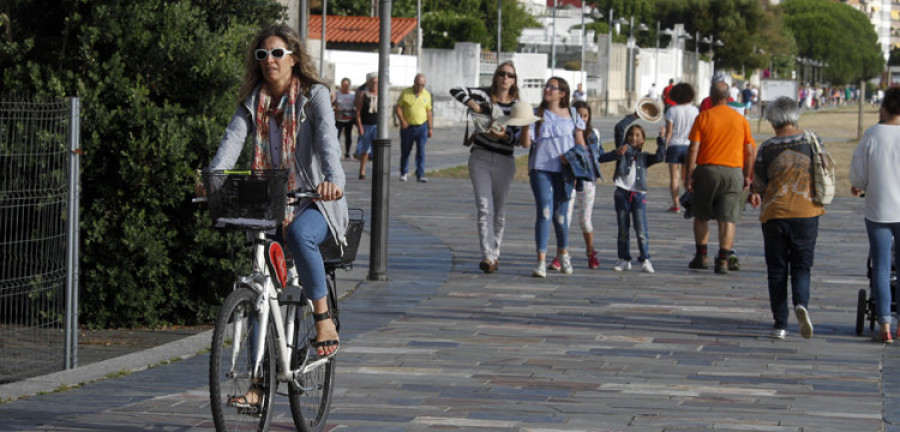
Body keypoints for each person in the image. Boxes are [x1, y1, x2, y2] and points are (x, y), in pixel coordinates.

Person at [208, 24, 348, 407]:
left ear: (294, 57)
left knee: (302, 234)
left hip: (317, 201)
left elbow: (327, 144)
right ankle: (259, 384)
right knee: (260, 289)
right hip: (271, 203)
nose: (269, 60)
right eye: (262, 55)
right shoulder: (253, 104)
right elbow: (229, 146)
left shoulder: (313, 96)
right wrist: (211, 180)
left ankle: (322, 320)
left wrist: (333, 181)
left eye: (276, 53)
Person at [749, 97, 824, 340]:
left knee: (777, 269)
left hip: (775, 214)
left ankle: (780, 323)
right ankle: (801, 304)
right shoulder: (812, 141)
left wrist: (755, 194)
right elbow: (823, 169)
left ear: (772, 120)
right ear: (795, 116)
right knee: (802, 266)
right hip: (807, 212)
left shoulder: (768, 147)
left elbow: (758, 184)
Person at [450, 61, 523, 273]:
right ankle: (487, 256)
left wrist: (502, 135)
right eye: (502, 73)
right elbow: (456, 90)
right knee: (484, 208)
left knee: (499, 211)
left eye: (510, 75)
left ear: (514, 80)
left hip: (504, 160)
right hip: (480, 157)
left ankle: (495, 252)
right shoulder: (483, 95)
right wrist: (473, 105)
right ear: (496, 76)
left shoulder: (517, 105)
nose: (505, 78)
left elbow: (517, 139)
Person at [686, 81, 756, 274]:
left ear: (710, 96)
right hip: (733, 172)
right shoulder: (740, 120)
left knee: (701, 215)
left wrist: (689, 174)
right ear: (729, 97)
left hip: (707, 170)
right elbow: (749, 151)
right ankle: (723, 260)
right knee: (727, 218)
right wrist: (747, 176)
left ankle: (702, 256)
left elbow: (694, 147)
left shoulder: (703, 117)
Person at [850, 85, 900, 344]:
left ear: (884, 107)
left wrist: (859, 185)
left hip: (879, 209)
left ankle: (884, 324)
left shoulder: (872, 134)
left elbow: (858, 173)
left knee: (880, 266)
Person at [522, 77, 586, 277]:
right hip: (541, 169)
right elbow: (526, 144)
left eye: (553, 87)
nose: (548, 90)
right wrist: (524, 125)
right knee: (545, 212)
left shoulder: (574, 115)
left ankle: (563, 254)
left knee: (560, 216)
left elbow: (581, 145)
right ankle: (540, 260)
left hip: (565, 172)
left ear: (562, 93)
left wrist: (572, 159)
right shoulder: (535, 114)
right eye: (547, 86)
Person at [598, 121, 666, 273]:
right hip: (622, 193)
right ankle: (624, 259)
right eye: (631, 134)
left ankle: (645, 259)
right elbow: (618, 129)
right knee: (623, 229)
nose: (633, 137)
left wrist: (661, 140)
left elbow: (660, 157)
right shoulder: (622, 151)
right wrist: (634, 116)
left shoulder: (644, 157)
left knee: (641, 230)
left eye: (637, 135)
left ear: (642, 139)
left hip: (639, 196)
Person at [557, 100, 603, 270]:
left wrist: (617, 154)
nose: (582, 119)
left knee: (585, 220)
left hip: (587, 180)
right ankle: (561, 254)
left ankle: (591, 252)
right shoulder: (566, 132)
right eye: (579, 115)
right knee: (565, 218)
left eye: (585, 115)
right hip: (569, 178)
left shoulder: (593, 134)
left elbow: (599, 155)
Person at [664, 83, 699, 213]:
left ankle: (676, 204)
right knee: (687, 176)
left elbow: (669, 132)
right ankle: (689, 201)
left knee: (674, 177)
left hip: (674, 145)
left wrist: (664, 147)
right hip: (689, 145)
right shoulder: (695, 110)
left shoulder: (671, 110)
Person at [395, 73, 433, 183]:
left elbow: (428, 111)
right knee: (406, 150)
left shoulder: (427, 94)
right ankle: (404, 172)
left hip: (422, 126)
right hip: (408, 127)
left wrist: (430, 128)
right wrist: (402, 121)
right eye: (418, 85)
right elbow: (398, 108)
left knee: (421, 151)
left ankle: (420, 174)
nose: (420, 87)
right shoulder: (405, 93)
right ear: (414, 83)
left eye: (422, 85)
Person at [354, 72, 379, 179]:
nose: (374, 84)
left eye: (376, 82)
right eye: (372, 82)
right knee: (365, 149)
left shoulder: (381, 94)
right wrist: (360, 126)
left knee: (378, 150)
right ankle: (362, 170)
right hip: (366, 125)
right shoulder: (364, 94)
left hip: (377, 125)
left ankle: (377, 170)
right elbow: (358, 111)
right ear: (368, 83)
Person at [332, 77, 356, 159]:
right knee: (336, 136)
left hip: (349, 118)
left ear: (349, 85)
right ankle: (336, 151)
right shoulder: (337, 93)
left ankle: (347, 152)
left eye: (346, 85)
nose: (345, 86)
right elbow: (331, 104)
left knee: (348, 136)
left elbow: (357, 105)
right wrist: (335, 108)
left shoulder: (353, 95)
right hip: (339, 118)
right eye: (343, 85)